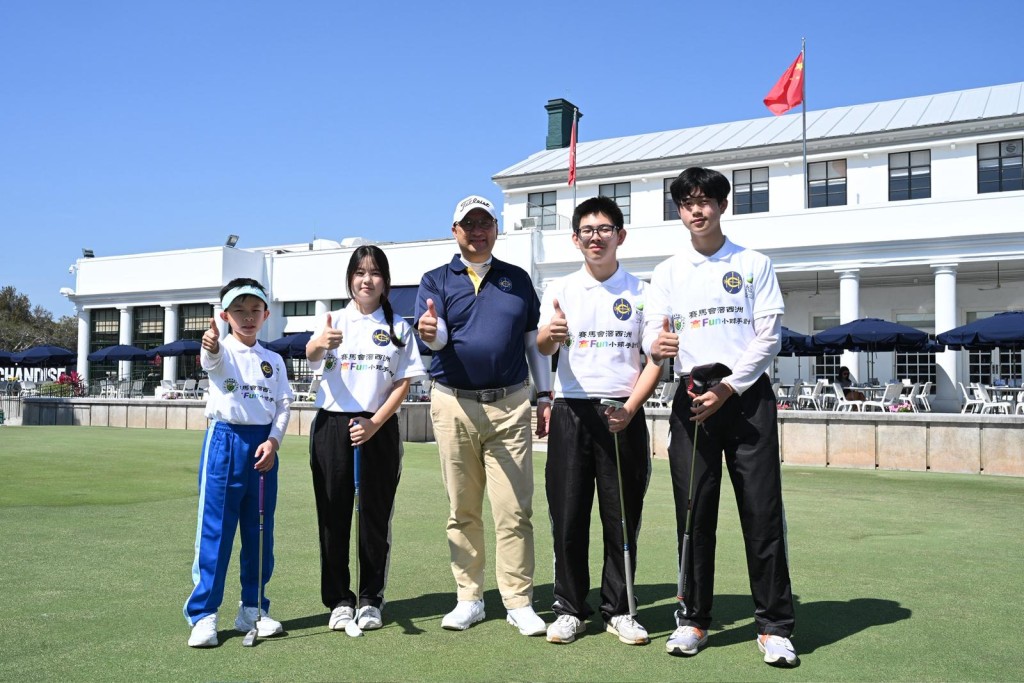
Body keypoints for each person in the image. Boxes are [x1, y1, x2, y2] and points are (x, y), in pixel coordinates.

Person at [643, 168, 798, 667]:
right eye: (687, 202)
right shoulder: (667, 272)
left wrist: (730, 387)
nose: (697, 209)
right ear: (679, 211)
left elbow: (769, 335)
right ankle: (691, 618)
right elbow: (654, 333)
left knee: (762, 513)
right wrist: (657, 344)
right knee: (693, 516)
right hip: (691, 398)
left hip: (746, 399)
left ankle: (774, 626)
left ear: (722, 205)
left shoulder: (753, 264)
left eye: (706, 200)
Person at [415, 195, 552, 636]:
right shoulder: (435, 280)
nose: (477, 231)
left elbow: (533, 341)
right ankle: (469, 597)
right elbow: (433, 343)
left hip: (511, 403)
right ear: (454, 231)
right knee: (462, 509)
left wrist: (545, 394)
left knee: (514, 510)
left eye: (484, 223)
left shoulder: (517, 279)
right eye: (468, 224)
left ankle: (517, 600)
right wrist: (432, 335)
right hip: (453, 402)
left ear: (496, 229)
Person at [537, 196, 663, 646]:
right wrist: (549, 336)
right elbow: (544, 346)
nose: (596, 237)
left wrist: (630, 408)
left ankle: (620, 609)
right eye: (587, 230)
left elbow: (655, 358)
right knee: (568, 515)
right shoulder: (560, 288)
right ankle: (569, 608)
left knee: (622, 516)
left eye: (604, 229)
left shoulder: (643, 291)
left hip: (621, 413)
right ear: (576, 239)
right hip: (572, 410)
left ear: (620, 236)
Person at [305, 246, 427, 633]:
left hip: (378, 428)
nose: (366, 280)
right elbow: (310, 355)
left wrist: (374, 423)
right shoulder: (333, 320)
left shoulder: (399, 327)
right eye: (359, 272)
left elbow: (404, 382)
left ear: (385, 281)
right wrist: (321, 342)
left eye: (374, 273)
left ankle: (371, 597)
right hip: (332, 427)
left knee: (374, 517)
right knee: (333, 516)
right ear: (350, 279)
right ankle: (340, 600)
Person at [184, 277, 293, 648]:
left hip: (263, 448)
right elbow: (209, 358)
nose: (247, 317)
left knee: (260, 532)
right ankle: (203, 615)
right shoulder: (220, 350)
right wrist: (210, 343)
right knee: (215, 531)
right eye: (238, 311)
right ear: (225, 315)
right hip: (225, 442)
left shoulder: (274, 360)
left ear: (266, 314)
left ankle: (253, 609)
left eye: (254, 310)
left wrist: (274, 442)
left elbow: (283, 405)